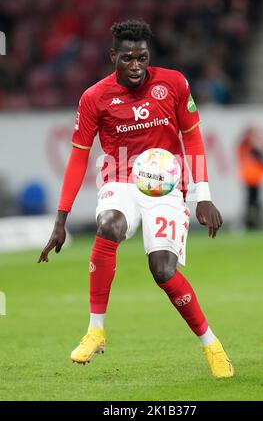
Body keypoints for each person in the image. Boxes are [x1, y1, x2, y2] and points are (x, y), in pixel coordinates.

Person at [38, 20, 234, 378]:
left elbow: (192, 137)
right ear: (113, 56)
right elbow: (79, 157)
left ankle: (212, 345)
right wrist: (60, 220)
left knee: (162, 270)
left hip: (166, 186)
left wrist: (203, 196)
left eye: (142, 58)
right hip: (121, 178)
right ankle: (95, 330)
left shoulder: (174, 83)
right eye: (127, 59)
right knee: (108, 224)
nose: (135, 67)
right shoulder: (94, 97)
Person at [237, 127, 263, 229]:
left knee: (251, 201)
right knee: (253, 202)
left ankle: (251, 222)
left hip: (252, 178)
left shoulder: (245, 146)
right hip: (252, 178)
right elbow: (262, 159)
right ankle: (252, 223)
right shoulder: (249, 147)